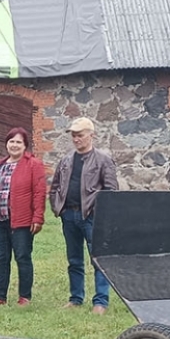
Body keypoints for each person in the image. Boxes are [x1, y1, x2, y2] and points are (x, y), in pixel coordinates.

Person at [48, 117, 120, 314]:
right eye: (73, 135)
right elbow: (54, 187)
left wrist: (99, 214)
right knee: (74, 260)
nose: (76, 139)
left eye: (80, 135)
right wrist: (57, 208)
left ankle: (100, 302)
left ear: (91, 135)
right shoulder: (65, 160)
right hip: (69, 215)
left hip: (91, 217)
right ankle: (76, 298)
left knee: (98, 259)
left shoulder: (103, 160)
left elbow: (111, 191)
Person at [0, 127, 47, 307]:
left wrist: (38, 217)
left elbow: (39, 192)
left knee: (22, 257)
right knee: (1, 258)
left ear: (25, 146)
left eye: (18, 142)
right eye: (11, 141)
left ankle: (25, 296)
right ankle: (0, 296)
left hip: (21, 221)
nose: (14, 145)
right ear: (6, 144)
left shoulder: (33, 165)